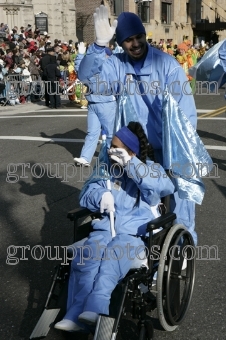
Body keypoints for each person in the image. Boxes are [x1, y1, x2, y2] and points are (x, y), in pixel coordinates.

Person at [78, 5, 198, 245]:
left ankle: (185, 246)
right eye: (128, 40)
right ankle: (136, 243)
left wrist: (181, 154)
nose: (135, 43)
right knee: (137, 197)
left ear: (145, 35)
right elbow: (88, 79)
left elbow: (186, 113)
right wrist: (99, 47)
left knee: (182, 194)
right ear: (121, 43)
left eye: (138, 37)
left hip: (170, 145)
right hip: (136, 148)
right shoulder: (117, 64)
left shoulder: (167, 64)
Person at [54, 121, 175, 332]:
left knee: (112, 256)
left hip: (134, 235)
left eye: (116, 148)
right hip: (104, 229)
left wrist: (132, 165)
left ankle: (97, 307)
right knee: (89, 257)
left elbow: (163, 187)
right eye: (111, 146)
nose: (110, 151)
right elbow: (86, 193)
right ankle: (75, 312)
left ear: (130, 151)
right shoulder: (107, 170)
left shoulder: (150, 168)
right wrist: (101, 196)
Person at [73, 42, 116, 166]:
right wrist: (81, 55)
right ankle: (85, 157)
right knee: (92, 132)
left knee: (110, 133)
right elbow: (81, 71)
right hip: (93, 102)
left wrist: (82, 55)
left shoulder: (108, 67)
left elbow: (82, 72)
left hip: (106, 102)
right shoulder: (98, 66)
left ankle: (112, 159)